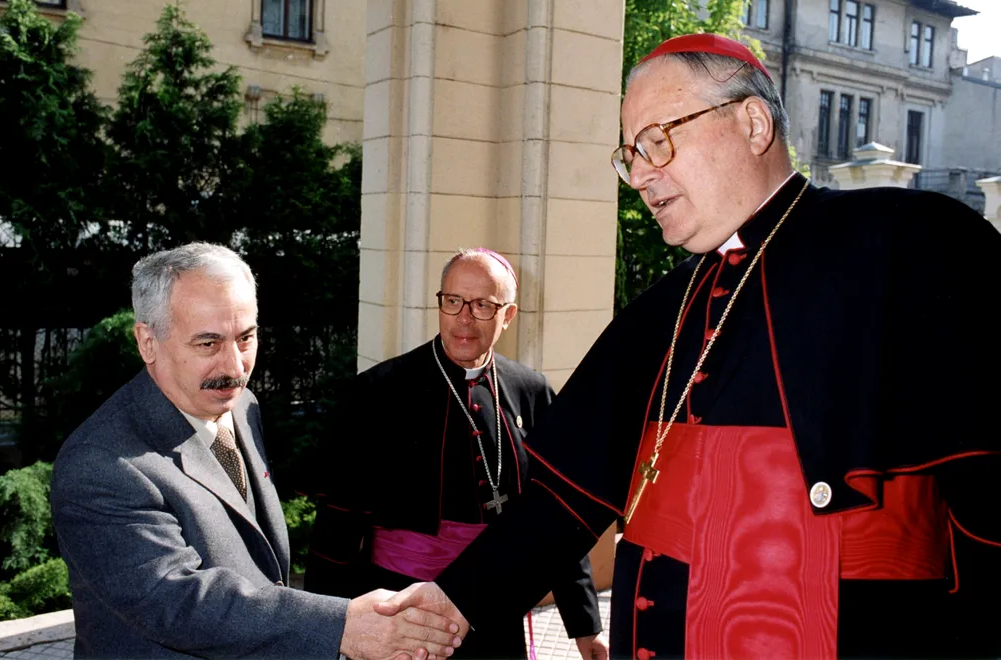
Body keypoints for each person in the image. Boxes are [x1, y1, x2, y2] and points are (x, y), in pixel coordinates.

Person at [375, 34, 1001, 659]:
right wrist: (454, 601)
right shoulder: (664, 308)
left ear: (753, 123)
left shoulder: (909, 243)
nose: (639, 176)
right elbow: (567, 500)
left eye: (658, 140)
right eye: (630, 155)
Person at [50, 242, 462, 659]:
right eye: (208, 344)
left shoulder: (240, 405)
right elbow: (179, 603)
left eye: (245, 338)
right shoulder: (100, 464)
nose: (235, 367)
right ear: (147, 342)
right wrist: (343, 627)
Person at [304, 248, 607, 660]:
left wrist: (585, 624)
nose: (464, 318)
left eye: (482, 305)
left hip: (495, 608)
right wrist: (325, 631)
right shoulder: (377, 392)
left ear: (508, 315)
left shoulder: (531, 391)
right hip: (402, 611)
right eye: (453, 301)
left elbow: (555, 515)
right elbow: (336, 527)